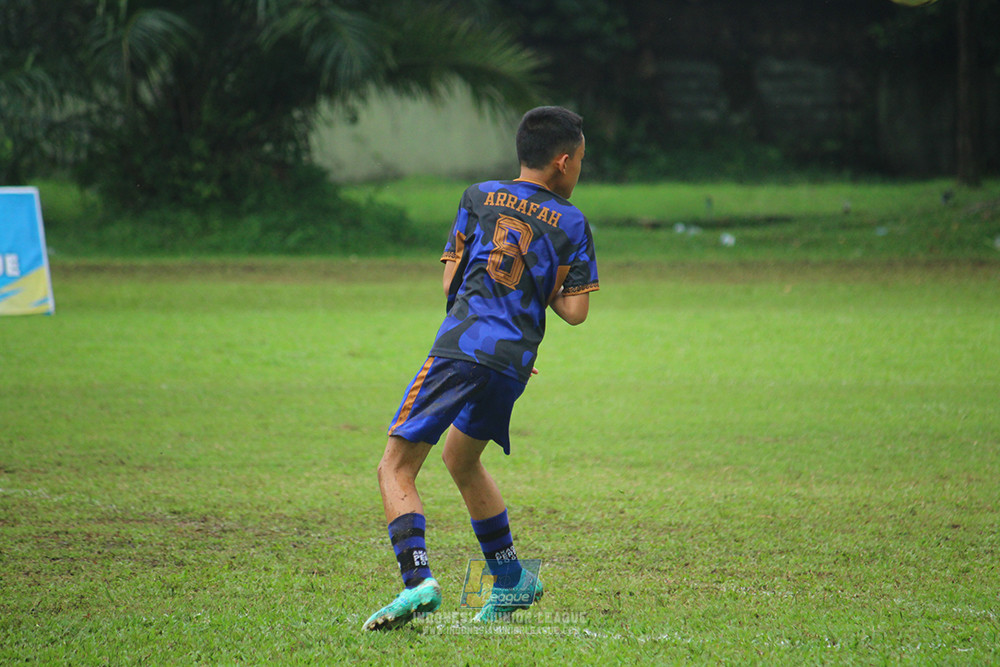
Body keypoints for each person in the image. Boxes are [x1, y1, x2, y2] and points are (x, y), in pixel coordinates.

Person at [362, 106, 599, 631]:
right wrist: (541, 287)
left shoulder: (477, 196)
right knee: (461, 460)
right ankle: (512, 580)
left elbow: (451, 286)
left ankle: (417, 581)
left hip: (461, 349)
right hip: (512, 362)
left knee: (395, 467)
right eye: (581, 162)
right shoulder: (574, 222)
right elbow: (575, 312)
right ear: (563, 162)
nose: (579, 171)